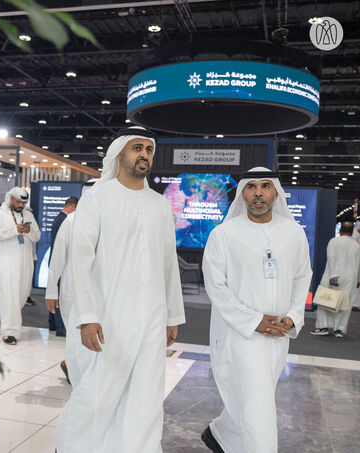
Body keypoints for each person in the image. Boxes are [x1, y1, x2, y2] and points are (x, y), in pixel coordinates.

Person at [54, 126, 185, 453]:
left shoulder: (160, 205)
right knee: (100, 393)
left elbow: (169, 264)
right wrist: (87, 316)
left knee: (146, 394)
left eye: (149, 150)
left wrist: (173, 315)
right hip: (110, 316)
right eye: (137, 148)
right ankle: (71, 446)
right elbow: (81, 262)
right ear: (120, 154)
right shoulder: (97, 197)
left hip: (153, 316)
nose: (144, 155)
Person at [201, 167, 312, 453]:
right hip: (240, 334)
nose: (259, 192)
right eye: (251, 186)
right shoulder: (224, 234)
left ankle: (221, 433)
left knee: (251, 400)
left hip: (278, 334)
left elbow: (302, 277)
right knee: (258, 404)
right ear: (243, 193)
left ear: (276, 192)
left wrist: (292, 318)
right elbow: (216, 286)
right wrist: (254, 321)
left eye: (265, 186)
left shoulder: (293, 232)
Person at [0, 187, 40, 345]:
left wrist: (28, 231)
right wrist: (14, 230)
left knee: (19, 296)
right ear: (10, 199)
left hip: (25, 262)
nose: (21, 205)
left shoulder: (28, 215)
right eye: (18, 201)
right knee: (8, 297)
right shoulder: (0, 215)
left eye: (23, 202)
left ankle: (11, 326)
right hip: (6, 262)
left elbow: (37, 236)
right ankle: (9, 332)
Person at [311, 221, 360, 338]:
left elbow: (331, 257)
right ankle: (340, 329)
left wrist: (333, 276)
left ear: (340, 230)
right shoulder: (357, 245)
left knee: (325, 299)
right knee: (344, 303)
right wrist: (358, 279)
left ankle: (323, 327)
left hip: (334, 275)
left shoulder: (334, 241)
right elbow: (358, 264)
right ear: (352, 231)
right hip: (350, 277)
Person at [47, 197, 78, 336]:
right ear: (73, 206)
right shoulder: (67, 220)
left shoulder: (63, 218)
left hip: (61, 263)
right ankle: (60, 328)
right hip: (62, 264)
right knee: (60, 298)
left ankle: (54, 324)